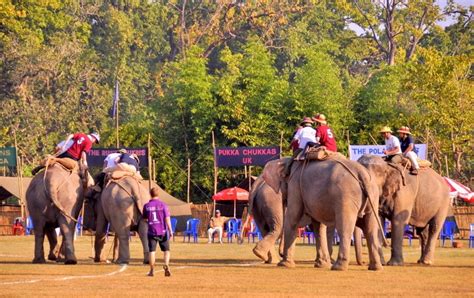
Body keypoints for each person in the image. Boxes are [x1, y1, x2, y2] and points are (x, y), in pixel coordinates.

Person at [143, 187, 173, 277]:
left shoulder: (146, 206)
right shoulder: (163, 205)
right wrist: (171, 230)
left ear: (150, 194)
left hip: (152, 231)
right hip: (163, 231)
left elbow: (144, 218)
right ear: (158, 194)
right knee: (166, 250)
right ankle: (166, 265)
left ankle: (152, 270)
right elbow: (167, 219)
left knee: (152, 251)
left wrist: (150, 221)